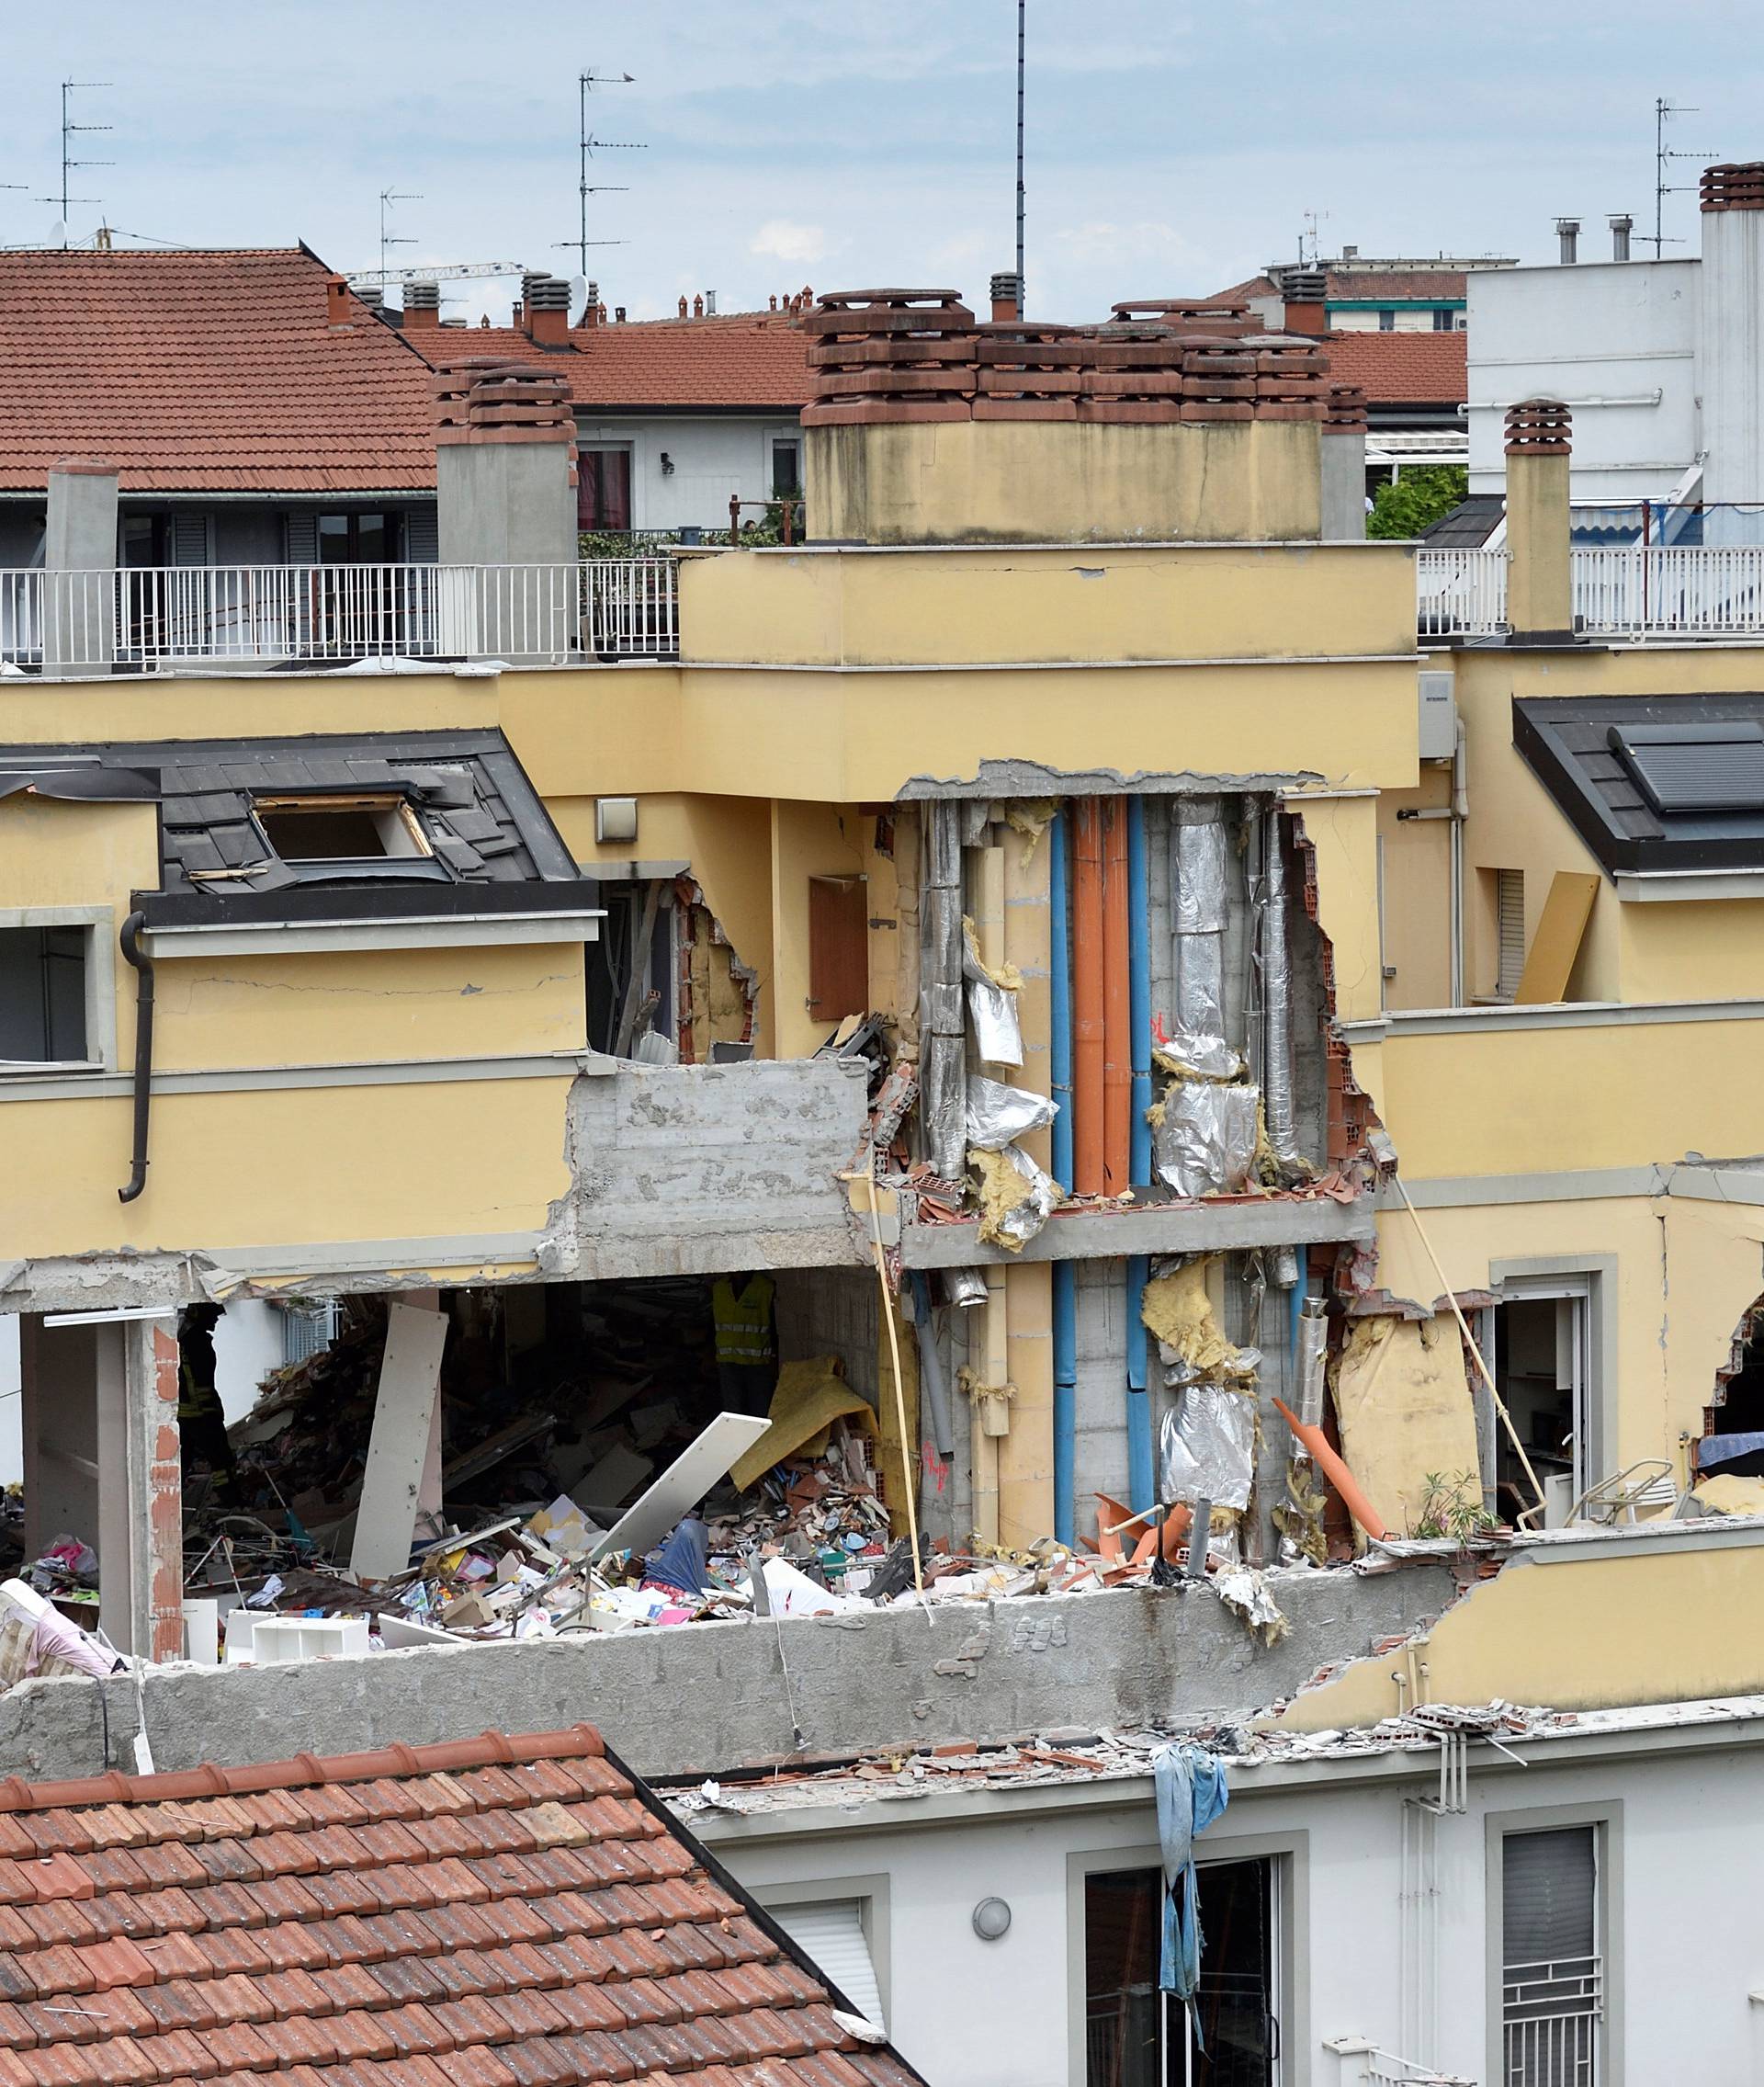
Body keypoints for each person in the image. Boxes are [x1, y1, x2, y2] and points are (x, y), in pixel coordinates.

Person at [177, 1303, 238, 1502]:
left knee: (183, 1459)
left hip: (188, 1414)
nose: (216, 1319)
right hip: (200, 1413)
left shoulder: (186, 1339)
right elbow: (200, 1382)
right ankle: (229, 1498)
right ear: (201, 1316)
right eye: (213, 1315)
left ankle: (173, 1499)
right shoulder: (197, 1341)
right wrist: (210, 1410)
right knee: (220, 1458)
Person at [710, 1271, 777, 1417]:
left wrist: (774, 1359)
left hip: (758, 1363)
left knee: (760, 1412)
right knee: (733, 1413)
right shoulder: (719, 1289)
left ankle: (761, 1440)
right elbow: (713, 1323)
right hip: (728, 1363)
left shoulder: (764, 1287)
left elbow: (774, 1325)